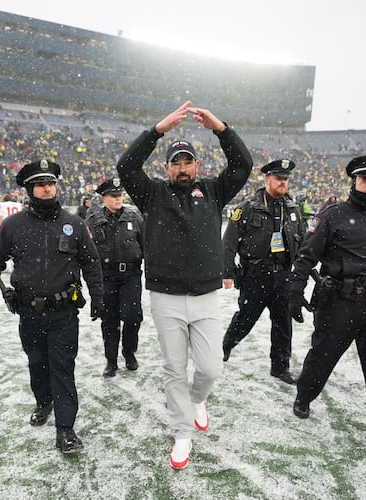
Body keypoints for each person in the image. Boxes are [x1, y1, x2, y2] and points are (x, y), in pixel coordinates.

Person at [116, 100, 253, 469]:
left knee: (209, 368)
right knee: (174, 368)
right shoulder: (152, 195)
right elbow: (125, 166)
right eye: (175, 162)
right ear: (166, 167)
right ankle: (181, 432)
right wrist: (157, 132)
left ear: (197, 165)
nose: (181, 168)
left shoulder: (213, 191)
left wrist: (221, 129)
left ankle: (196, 398)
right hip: (166, 297)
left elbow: (243, 166)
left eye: (187, 161)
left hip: (207, 296)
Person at [288, 154, 366, 456]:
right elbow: (307, 255)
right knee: (322, 359)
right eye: (365, 177)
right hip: (338, 303)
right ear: (354, 180)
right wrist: (295, 288)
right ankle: (304, 396)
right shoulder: (332, 215)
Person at [0, 160, 104, 453]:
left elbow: (91, 263)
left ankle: (65, 429)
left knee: (63, 367)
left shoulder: (75, 224)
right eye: (40, 184)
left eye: (50, 183)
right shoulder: (13, 226)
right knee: (37, 362)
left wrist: (99, 297)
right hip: (28, 312)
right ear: (29, 189)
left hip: (64, 312)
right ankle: (44, 401)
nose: (47, 188)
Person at [222, 159, 305, 384]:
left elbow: (303, 242)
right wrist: (228, 272)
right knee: (245, 319)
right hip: (255, 277)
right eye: (278, 178)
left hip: (283, 276)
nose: (282, 183)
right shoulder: (247, 208)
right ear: (267, 179)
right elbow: (228, 243)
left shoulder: (293, 209)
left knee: (283, 323)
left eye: (286, 179)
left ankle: (280, 367)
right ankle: (225, 346)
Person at [86, 178, 144, 377]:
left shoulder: (133, 217)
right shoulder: (93, 219)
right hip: (106, 276)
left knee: (132, 317)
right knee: (109, 320)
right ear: (104, 198)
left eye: (120, 195)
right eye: (113, 196)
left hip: (131, 275)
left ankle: (129, 352)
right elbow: (86, 250)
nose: (118, 199)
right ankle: (111, 361)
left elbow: (146, 246)